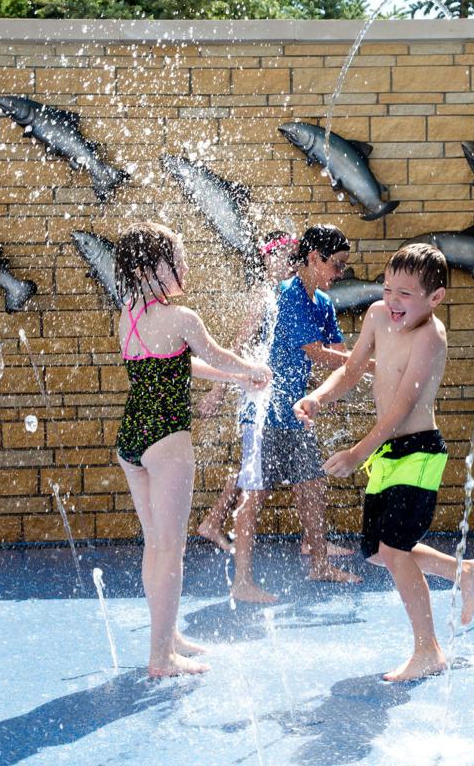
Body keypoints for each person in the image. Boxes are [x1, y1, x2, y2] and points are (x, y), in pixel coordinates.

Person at [294, 243, 474, 682]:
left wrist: (356, 453)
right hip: (387, 452)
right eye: (387, 288)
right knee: (379, 552)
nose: (392, 300)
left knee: (396, 550)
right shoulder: (378, 316)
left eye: (405, 294)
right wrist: (318, 398)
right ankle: (464, 572)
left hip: (419, 451)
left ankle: (428, 650)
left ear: (435, 298)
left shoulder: (430, 338)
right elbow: (354, 368)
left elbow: (401, 408)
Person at [113, 221, 271, 678]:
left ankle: (167, 634)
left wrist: (237, 378)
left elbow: (182, 365)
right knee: (172, 549)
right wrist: (252, 368)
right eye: (176, 258)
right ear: (151, 267)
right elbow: (216, 353)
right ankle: (161, 657)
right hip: (167, 438)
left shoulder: (129, 315)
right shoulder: (182, 318)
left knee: (155, 544)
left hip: (132, 439)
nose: (185, 265)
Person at [230, 225, 362, 604]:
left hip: (294, 411)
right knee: (254, 495)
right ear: (313, 258)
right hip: (263, 410)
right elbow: (317, 352)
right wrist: (368, 364)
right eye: (335, 265)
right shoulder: (287, 296)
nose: (339, 273)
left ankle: (320, 563)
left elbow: (337, 349)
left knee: (311, 486)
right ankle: (242, 581)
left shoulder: (322, 301)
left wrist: (338, 385)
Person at [195, 231, 297, 551]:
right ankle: (213, 523)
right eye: (283, 255)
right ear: (267, 257)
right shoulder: (262, 295)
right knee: (255, 465)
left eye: (293, 256)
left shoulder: (282, 295)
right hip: (256, 395)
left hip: (267, 393)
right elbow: (236, 347)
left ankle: (214, 522)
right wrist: (217, 391)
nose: (291, 263)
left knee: (260, 463)